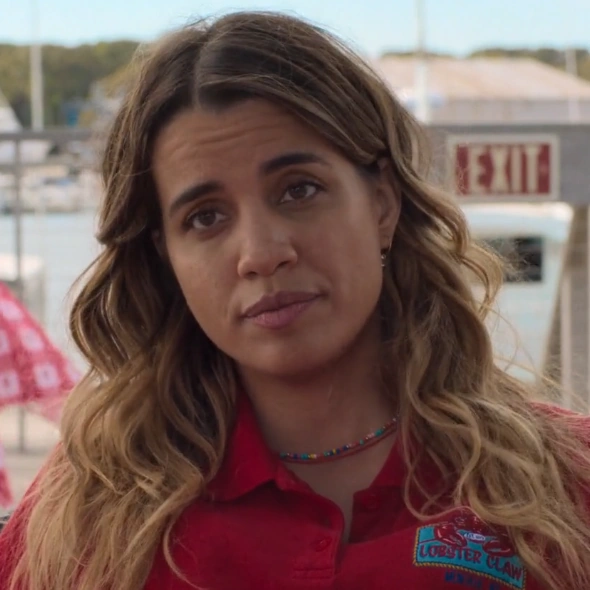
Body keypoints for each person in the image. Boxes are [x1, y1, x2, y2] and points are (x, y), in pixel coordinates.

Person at [1, 11, 589, 590]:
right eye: (205, 217)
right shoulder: (82, 517)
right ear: (165, 256)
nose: (260, 253)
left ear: (382, 204)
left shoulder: (563, 486)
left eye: (299, 190)